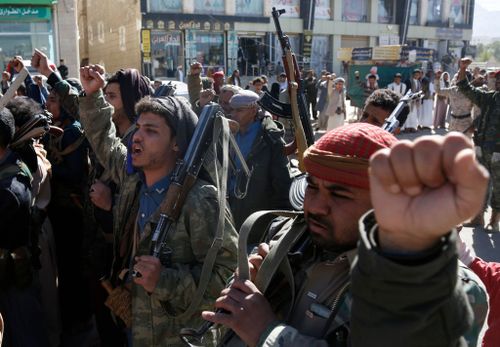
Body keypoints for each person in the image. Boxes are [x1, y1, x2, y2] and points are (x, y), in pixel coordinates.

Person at [203, 123, 489, 346]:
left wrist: (267, 332)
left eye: (339, 194)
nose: (314, 207)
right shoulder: (296, 236)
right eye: (312, 187)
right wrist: (254, 286)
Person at [78, 64, 238, 346]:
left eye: (151, 131)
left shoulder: (200, 200)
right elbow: (106, 141)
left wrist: (164, 280)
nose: (137, 136)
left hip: (179, 337)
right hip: (136, 328)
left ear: (177, 143)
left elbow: (227, 277)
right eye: (138, 128)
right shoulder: (133, 181)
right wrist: (93, 96)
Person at [228, 90, 292, 230]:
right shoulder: (230, 132)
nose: (233, 114)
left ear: (253, 110)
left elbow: (282, 182)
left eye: (239, 110)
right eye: (232, 110)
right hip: (231, 210)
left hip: (257, 217)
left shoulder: (269, 138)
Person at [457, 58, 500, 231]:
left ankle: (494, 220)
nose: (498, 83)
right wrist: (462, 69)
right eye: (497, 80)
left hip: (499, 152)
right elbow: (465, 88)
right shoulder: (489, 98)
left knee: (498, 186)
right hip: (482, 148)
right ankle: (477, 218)